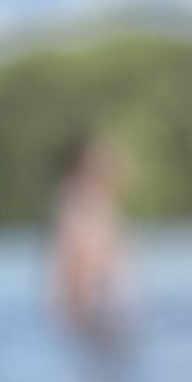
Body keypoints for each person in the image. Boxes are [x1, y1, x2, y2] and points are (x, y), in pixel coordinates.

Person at [47, 129, 134, 358]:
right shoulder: (76, 200)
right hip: (93, 301)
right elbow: (74, 260)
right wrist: (76, 308)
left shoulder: (102, 200)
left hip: (108, 300)